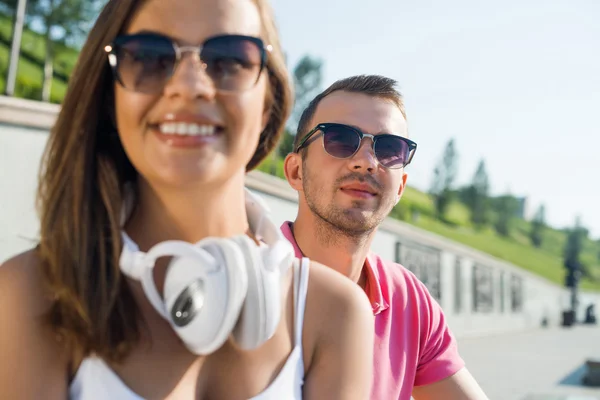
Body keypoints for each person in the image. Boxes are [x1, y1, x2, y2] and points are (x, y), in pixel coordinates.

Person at [0, 1, 375, 399]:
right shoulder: (30, 294)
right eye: (148, 56)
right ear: (111, 97)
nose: (189, 85)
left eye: (230, 59)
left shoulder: (336, 314)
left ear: (269, 103)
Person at [282, 74, 489, 400]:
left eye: (390, 149)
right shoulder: (248, 282)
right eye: (339, 139)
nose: (366, 162)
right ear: (296, 171)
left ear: (401, 188)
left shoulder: (410, 301)